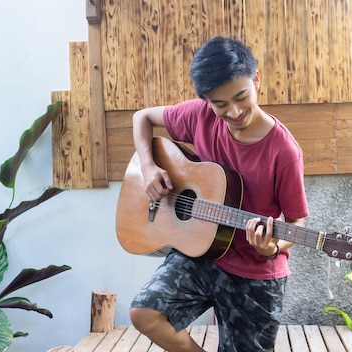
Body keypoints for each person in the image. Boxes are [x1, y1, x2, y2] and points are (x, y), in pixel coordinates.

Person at [129, 36, 309, 352]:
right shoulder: (199, 115)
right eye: (220, 104)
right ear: (206, 99)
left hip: (256, 272)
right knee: (145, 313)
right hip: (203, 254)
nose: (235, 112)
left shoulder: (284, 151)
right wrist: (148, 166)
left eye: (241, 97)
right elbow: (141, 118)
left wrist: (271, 247)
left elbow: (297, 223)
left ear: (256, 79)